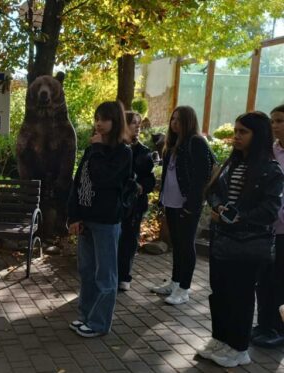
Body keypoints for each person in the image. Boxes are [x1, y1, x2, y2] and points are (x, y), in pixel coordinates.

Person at [199, 111, 284, 367]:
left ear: (257, 136)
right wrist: (218, 207)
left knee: (241, 296)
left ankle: (239, 347)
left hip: (248, 245)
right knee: (220, 292)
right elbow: (213, 191)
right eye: (235, 131)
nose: (236, 136)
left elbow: (270, 210)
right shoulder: (231, 163)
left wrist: (239, 217)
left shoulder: (271, 170)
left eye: (242, 132)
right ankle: (221, 339)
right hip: (222, 240)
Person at [67, 101, 132, 337]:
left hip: (105, 221)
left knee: (105, 276)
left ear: (115, 122)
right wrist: (74, 215)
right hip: (86, 218)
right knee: (87, 271)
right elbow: (80, 180)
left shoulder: (122, 153)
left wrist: (98, 149)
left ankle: (99, 324)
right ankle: (86, 315)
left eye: (104, 119)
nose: (98, 123)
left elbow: (104, 178)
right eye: (97, 118)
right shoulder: (93, 149)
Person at [152, 106, 213, 305]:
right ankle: (175, 282)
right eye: (173, 119)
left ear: (188, 121)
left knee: (186, 246)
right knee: (177, 244)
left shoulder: (196, 142)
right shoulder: (172, 144)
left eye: (179, 120)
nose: (174, 123)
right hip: (171, 202)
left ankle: (184, 289)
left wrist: (191, 204)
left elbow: (201, 177)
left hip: (187, 204)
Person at [252, 104, 284, 347]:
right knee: (263, 279)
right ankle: (264, 323)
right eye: (272, 121)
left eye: (280, 121)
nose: (274, 126)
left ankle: (278, 328)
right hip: (267, 226)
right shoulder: (271, 151)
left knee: (279, 280)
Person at [118, 111, 156, 291]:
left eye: (139, 124)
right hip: (116, 203)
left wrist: (141, 186)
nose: (138, 127)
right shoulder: (114, 148)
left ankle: (124, 275)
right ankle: (112, 274)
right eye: (134, 123)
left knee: (129, 239)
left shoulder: (144, 151)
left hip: (134, 205)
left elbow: (150, 180)